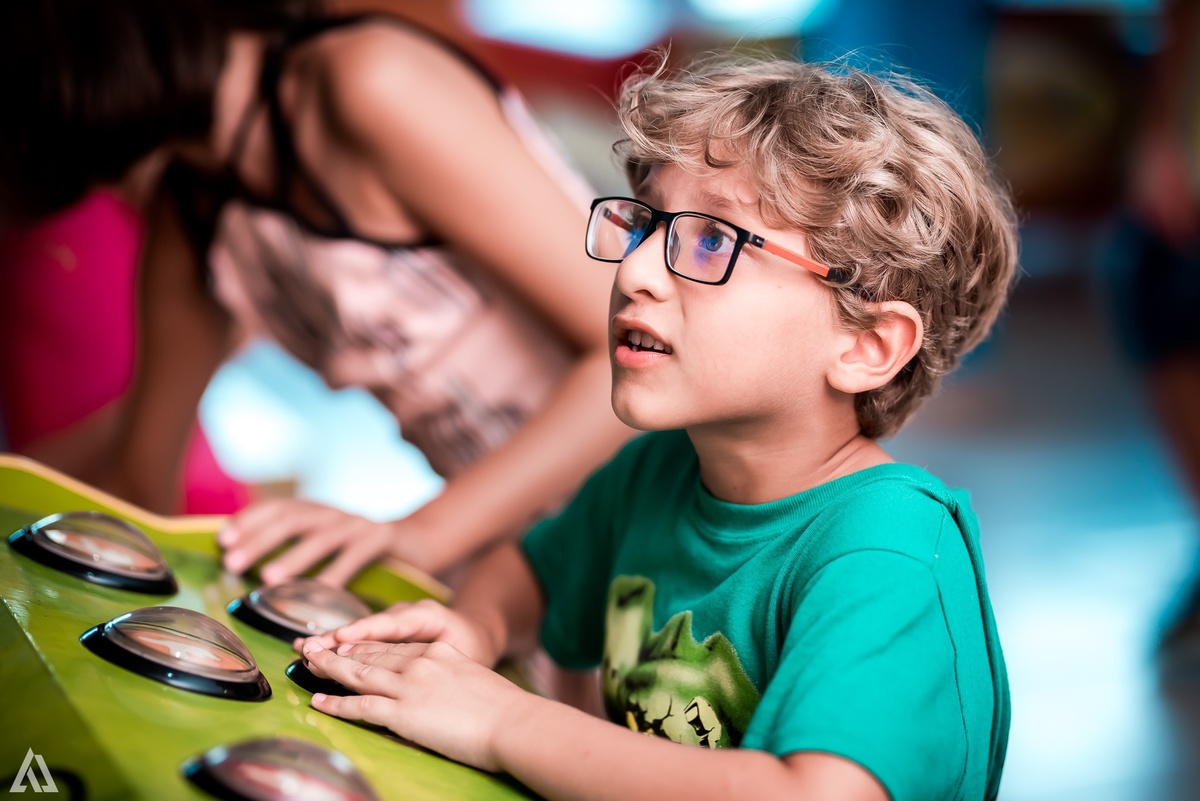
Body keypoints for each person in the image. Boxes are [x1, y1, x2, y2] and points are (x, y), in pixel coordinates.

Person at [294, 52, 1019, 801]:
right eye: (645, 225)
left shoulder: (888, 551)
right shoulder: (657, 470)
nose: (636, 270)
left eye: (710, 239)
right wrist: (475, 629)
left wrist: (505, 721)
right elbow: (533, 573)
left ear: (866, 344)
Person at [0, 0, 631, 585]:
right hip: (520, 558)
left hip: (650, 511)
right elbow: (139, 483)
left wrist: (422, 534)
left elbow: (626, 347)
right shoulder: (192, 210)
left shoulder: (368, 81)